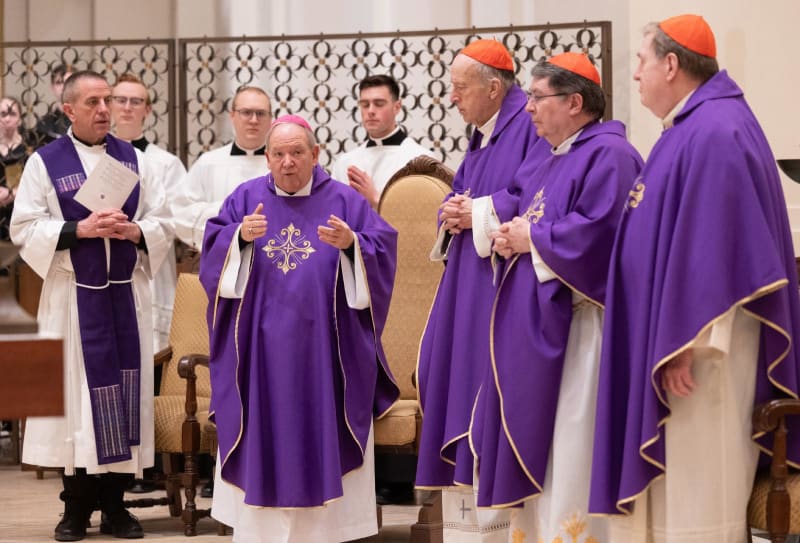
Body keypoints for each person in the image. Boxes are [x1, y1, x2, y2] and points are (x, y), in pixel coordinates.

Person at [589, 15, 800, 543]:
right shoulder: (688, 128)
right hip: (675, 343)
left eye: (640, 61)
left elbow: (722, 255)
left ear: (671, 63)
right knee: (676, 497)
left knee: (697, 499)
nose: (634, 75)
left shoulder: (716, 133)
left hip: (703, 356)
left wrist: (688, 342)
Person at [200, 115, 399, 542]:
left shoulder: (346, 202)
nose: (287, 163)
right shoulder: (244, 199)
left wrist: (354, 246)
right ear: (267, 158)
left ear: (315, 154)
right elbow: (212, 255)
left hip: (326, 351)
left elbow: (382, 250)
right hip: (260, 353)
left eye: (296, 153)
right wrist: (237, 239)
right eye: (278, 154)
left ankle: (326, 534)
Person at [471, 53, 643, 543]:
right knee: (549, 451)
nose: (526, 109)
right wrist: (511, 238)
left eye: (537, 98)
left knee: (573, 447)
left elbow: (603, 235)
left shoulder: (611, 154)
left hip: (584, 336)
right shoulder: (554, 155)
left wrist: (535, 241)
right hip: (543, 332)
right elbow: (532, 216)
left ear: (573, 102)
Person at [10, 70, 172, 541]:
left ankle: (117, 507)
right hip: (73, 297)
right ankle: (75, 509)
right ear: (69, 110)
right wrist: (79, 230)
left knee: (121, 396)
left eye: (111, 101)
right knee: (75, 403)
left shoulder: (135, 161)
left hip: (124, 293)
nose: (106, 110)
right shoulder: (46, 162)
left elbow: (162, 218)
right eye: (96, 101)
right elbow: (24, 227)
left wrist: (134, 231)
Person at [414, 38, 549, 541]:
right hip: (468, 282)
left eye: (458, 87)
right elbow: (465, 190)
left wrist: (478, 211)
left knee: (483, 391)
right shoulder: (484, 132)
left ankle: (497, 526)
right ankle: (468, 527)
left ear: (495, 88)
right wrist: (452, 211)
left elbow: (533, 196)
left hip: (499, 286)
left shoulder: (526, 127)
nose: (452, 97)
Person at [111, 72, 186, 353]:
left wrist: (137, 230)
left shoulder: (166, 164)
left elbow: (175, 220)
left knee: (148, 355)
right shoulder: (95, 158)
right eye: (121, 100)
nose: (127, 107)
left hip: (149, 271)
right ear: (110, 105)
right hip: (102, 270)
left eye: (136, 101)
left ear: (148, 109)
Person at [173, 85, 272, 251]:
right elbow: (181, 215)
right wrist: (225, 212)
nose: (254, 120)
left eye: (260, 113)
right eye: (246, 112)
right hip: (222, 259)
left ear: (270, 118)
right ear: (232, 115)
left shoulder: (283, 165)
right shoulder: (208, 162)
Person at [330, 74, 435, 209]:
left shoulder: (421, 160)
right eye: (365, 104)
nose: (371, 111)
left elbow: (426, 215)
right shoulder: (345, 162)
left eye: (379, 104)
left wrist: (375, 198)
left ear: (397, 107)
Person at [0, 96, 35, 242]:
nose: (7, 119)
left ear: (20, 119)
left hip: (21, 216)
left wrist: (13, 193)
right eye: (2, 114)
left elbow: (37, 183)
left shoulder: (30, 148)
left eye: (12, 114)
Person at [34, 64, 72, 147]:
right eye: (59, 82)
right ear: (52, 87)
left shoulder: (87, 120)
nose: (63, 86)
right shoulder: (43, 124)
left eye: (68, 82)